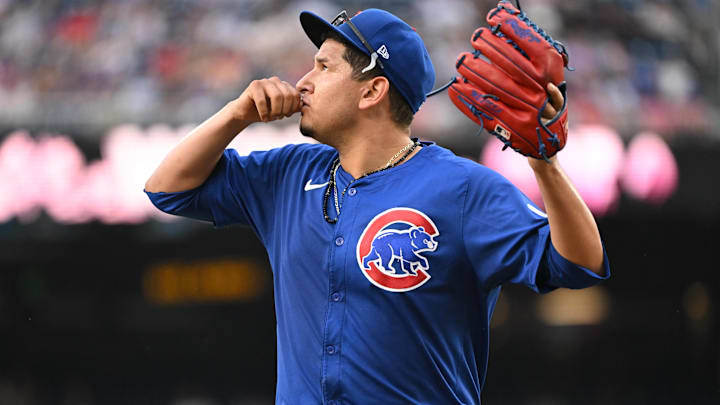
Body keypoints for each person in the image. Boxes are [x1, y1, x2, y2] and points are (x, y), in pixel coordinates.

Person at [145, 8, 610, 405]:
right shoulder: (289, 173)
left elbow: (578, 265)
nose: (303, 82)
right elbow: (168, 190)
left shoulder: (460, 187)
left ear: (372, 91)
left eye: (324, 68)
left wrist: (544, 165)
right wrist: (235, 115)